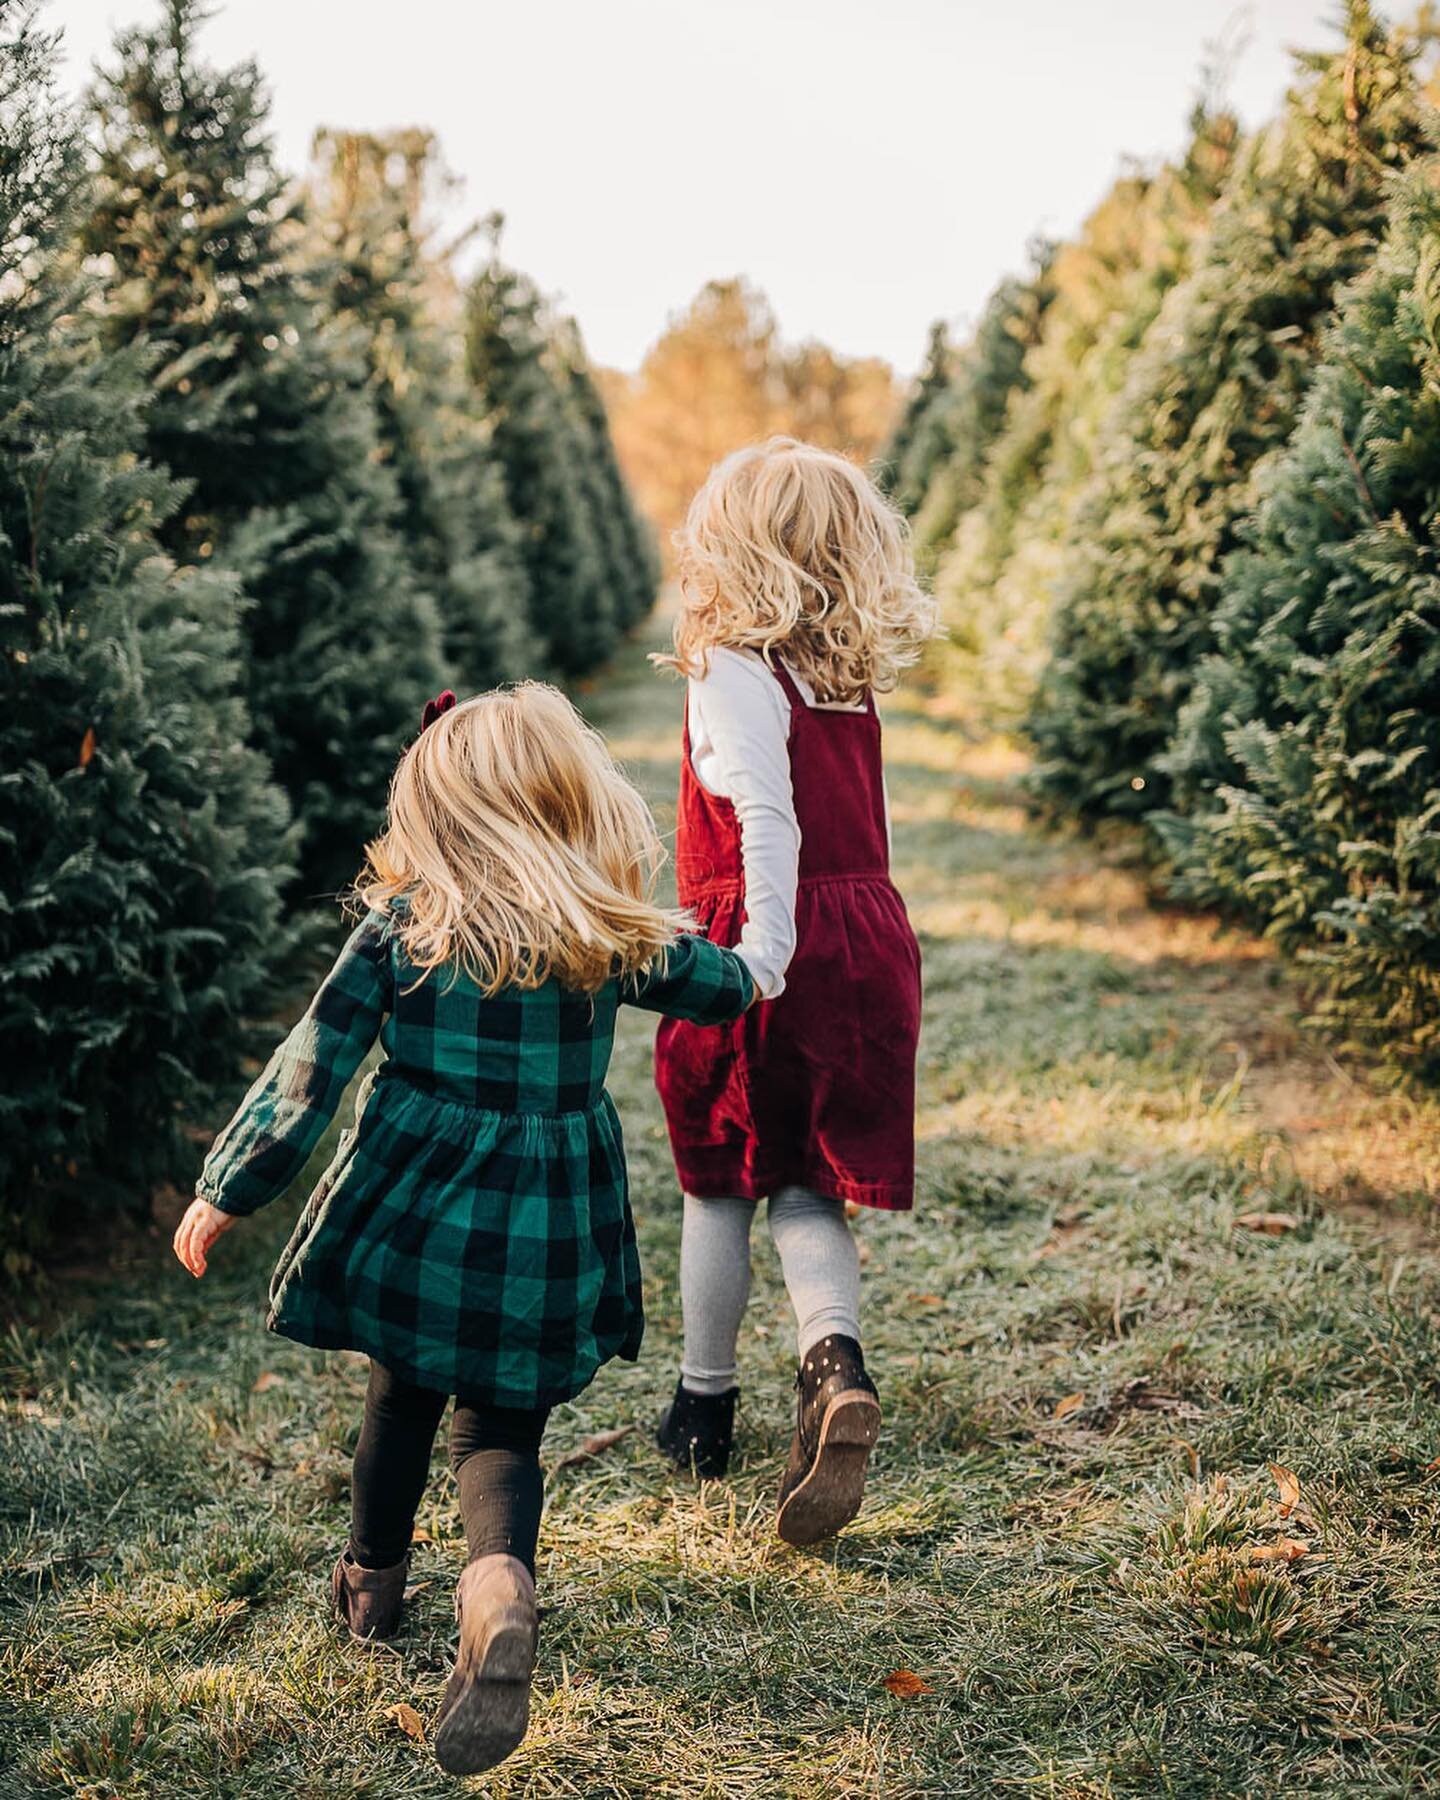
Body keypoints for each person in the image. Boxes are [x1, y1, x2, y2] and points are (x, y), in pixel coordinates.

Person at [172, 683, 755, 1776]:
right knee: (502, 1430)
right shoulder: (604, 929)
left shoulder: (406, 925)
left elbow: (313, 1066)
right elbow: (721, 988)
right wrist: (755, 939)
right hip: (545, 1223)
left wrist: (229, 1184)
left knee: (401, 1400)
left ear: (435, 808)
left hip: (420, 1207)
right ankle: (497, 1585)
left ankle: (372, 1587)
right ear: (573, 800)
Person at [652, 438, 937, 1546]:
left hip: (769, 938)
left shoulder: (730, 660)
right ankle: (833, 1367)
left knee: (719, 1180)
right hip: (865, 941)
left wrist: (759, 957)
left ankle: (703, 1406)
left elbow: (767, 818)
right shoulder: (838, 666)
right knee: (810, 1185)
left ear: (732, 546)